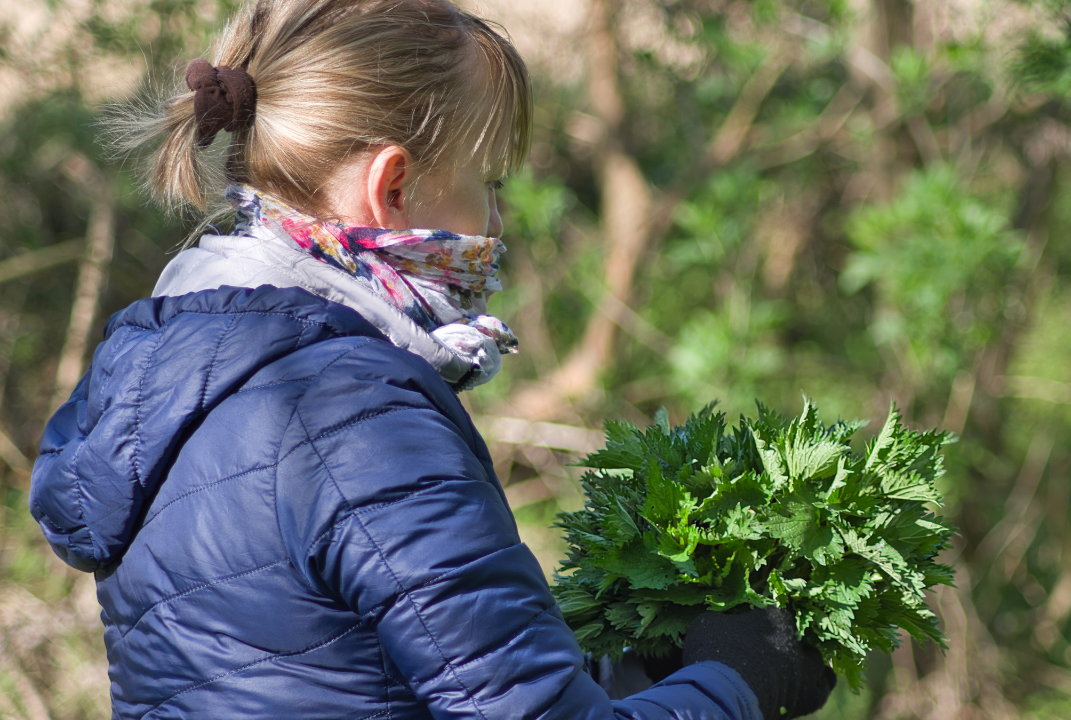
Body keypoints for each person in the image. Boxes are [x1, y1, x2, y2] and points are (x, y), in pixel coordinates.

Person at [28, 1, 836, 718]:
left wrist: (637, 672)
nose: (493, 220)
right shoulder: (350, 410)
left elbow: (356, 664)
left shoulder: (177, 374)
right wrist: (741, 680)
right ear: (396, 187)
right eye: (488, 182)